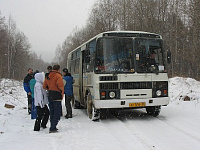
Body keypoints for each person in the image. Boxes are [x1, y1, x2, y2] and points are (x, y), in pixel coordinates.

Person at [43, 64, 64, 133]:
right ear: (59, 69)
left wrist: (50, 88)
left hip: (50, 95)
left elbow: (44, 86)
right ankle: (52, 128)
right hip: (57, 95)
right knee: (57, 113)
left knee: (52, 112)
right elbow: (60, 85)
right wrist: (61, 91)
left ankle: (53, 126)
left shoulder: (48, 75)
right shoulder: (58, 76)